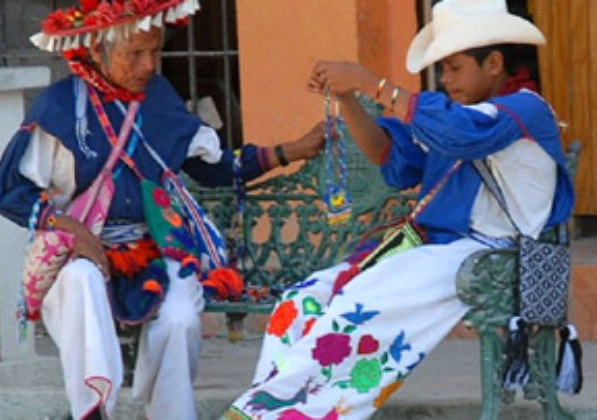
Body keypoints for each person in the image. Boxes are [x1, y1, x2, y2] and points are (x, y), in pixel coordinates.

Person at [219, 0, 574, 419]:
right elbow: (392, 156)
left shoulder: (527, 109)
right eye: (442, 69)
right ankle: (272, 408)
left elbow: (462, 134)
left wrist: (373, 83)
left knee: (357, 307)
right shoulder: (452, 115)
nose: (445, 79)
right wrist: (349, 99)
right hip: (434, 251)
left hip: (490, 255)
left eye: (454, 67)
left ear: (494, 63)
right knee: (301, 301)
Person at [0, 1, 324, 419]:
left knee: (181, 316)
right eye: (135, 54)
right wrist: (69, 227)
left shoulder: (159, 98)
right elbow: (9, 191)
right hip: (77, 252)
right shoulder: (59, 107)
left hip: (152, 250)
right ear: (96, 51)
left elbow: (214, 167)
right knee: (80, 281)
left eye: (155, 51)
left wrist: (290, 151)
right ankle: (94, 410)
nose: (149, 65)